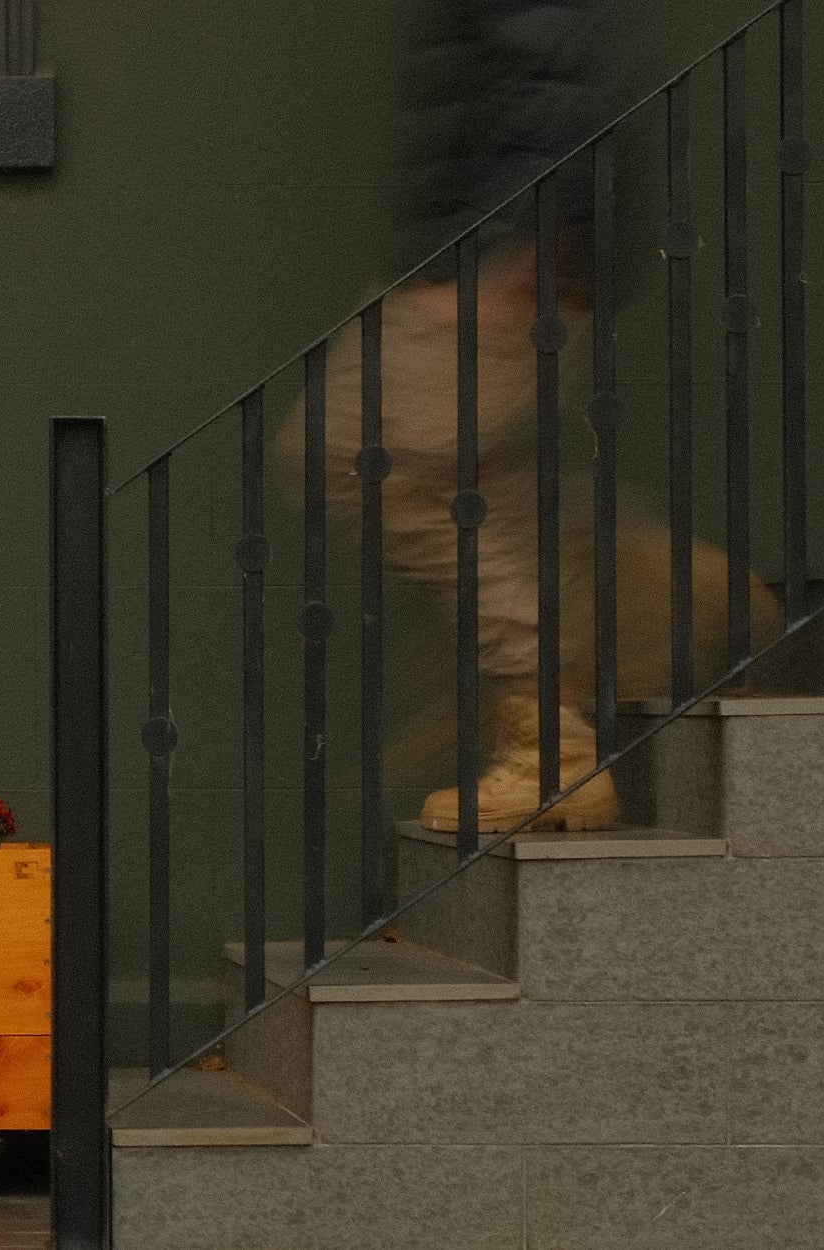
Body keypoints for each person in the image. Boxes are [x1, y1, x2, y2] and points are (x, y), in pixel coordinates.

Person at [282, 0, 771, 834]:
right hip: (470, 244)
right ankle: (663, 591)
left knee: (383, 461)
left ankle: (557, 756)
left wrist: (526, 243)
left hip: (501, 248)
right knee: (406, 468)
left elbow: (561, 72)